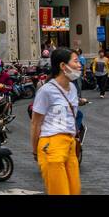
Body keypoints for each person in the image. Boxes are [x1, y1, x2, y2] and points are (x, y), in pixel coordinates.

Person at [30, 46, 82, 195]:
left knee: (74, 190)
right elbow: (35, 123)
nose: (79, 65)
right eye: (76, 61)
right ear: (62, 66)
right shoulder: (46, 90)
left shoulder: (72, 87)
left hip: (70, 144)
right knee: (60, 192)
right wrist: (35, 150)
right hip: (51, 144)